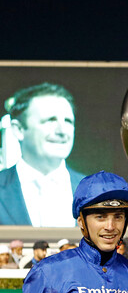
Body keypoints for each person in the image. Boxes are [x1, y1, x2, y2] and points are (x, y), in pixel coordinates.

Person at [0, 83, 84, 226]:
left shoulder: (95, 192)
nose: (62, 131)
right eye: (50, 120)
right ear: (18, 129)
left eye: (68, 121)